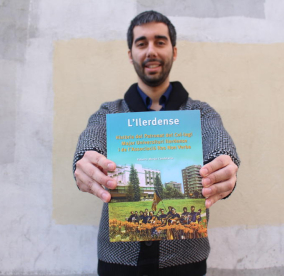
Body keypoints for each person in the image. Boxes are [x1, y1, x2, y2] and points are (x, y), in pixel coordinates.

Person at [73, 10, 240, 276]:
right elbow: (91, 141)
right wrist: (83, 161)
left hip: (186, 262)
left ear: (174, 51)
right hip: (118, 263)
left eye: (160, 42)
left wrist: (225, 166)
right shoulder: (109, 112)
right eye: (142, 43)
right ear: (130, 54)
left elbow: (219, 144)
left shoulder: (201, 113)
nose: (151, 50)